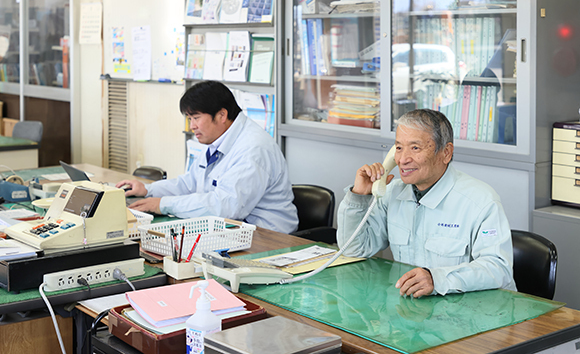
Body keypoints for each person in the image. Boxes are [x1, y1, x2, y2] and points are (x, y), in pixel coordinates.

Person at [337, 109, 516, 297]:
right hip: (414, 312)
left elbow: (498, 269)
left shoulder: (481, 201)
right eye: (398, 148)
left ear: (446, 153)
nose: (403, 160)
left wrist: (437, 279)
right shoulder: (391, 193)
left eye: (415, 148)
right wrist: (359, 196)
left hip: (472, 313)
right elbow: (353, 249)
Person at [117, 81, 298, 234]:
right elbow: (191, 183)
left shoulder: (253, 149)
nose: (192, 126)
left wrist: (162, 205)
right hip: (233, 230)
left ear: (221, 115)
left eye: (196, 118)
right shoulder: (220, 139)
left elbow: (226, 206)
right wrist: (149, 191)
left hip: (269, 238)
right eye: (189, 119)